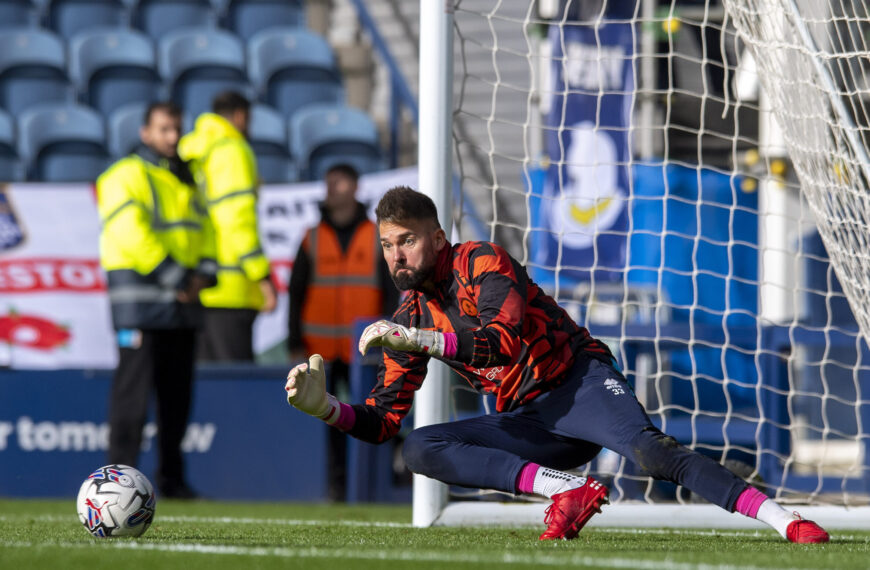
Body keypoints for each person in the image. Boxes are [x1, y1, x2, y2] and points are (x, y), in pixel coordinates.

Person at [285, 186, 831, 543]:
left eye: (406, 242)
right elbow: (383, 421)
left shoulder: (482, 262)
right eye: (387, 246)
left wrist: (418, 339)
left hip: (578, 384)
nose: (396, 256)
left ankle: (786, 520)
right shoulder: (408, 315)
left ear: (437, 238)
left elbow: (499, 342)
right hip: (529, 421)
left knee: (651, 452)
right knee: (421, 446)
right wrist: (329, 409)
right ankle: (563, 489)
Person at [97, 101, 216, 499]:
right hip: (143, 306)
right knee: (132, 396)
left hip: (182, 306)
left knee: (177, 400)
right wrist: (179, 276)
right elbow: (129, 232)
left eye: (175, 129)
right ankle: (117, 483)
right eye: (163, 129)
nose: (172, 137)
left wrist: (205, 273)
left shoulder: (185, 178)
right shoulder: (124, 174)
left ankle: (172, 478)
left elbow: (206, 230)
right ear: (144, 132)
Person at [287, 163, 399, 501]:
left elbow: (390, 290)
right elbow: (296, 292)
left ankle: (371, 484)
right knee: (329, 418)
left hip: (366, 348)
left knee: (371, 414)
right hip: (320, 349)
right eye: (328, 183)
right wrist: (295, 342)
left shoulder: (375, 234)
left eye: (337, 182)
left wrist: (389, 334)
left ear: (354, 187)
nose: (331, 189)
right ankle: (337, 486)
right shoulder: (312, 237)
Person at [179, 90, 277, 362]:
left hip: (194, 283)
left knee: (202, 387)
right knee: (234, 387)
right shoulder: (232, 149)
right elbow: (237, 220)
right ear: (240, 116)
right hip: (230, 288)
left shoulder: (188, 148)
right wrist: (262, 277)